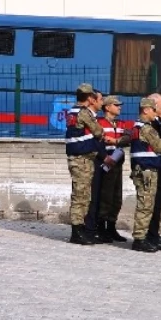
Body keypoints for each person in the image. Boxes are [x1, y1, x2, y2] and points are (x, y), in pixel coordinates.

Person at [129, 98, 161, 252]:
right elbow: (160, 147)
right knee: (145, 205)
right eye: (153, 110)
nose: (155, 113)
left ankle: (143, 237)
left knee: (145, 204)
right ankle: (139, 239)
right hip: (146, 171)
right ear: (146, 110)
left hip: (142, 170)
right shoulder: (146, 128)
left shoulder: (135, 127)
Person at [65, 83, 104, 245]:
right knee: (80, 195)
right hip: (81, 159)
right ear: (89, 98)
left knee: (82, 195)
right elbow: (98, 131)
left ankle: (79, 230)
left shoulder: (73, 111)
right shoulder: (84, 113)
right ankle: (76, 232)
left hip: (80, 158)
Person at [95, 95, 130, 242]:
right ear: (107, 107)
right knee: (105, 196)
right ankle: (101, 228)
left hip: (117, 164)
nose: (119, 107)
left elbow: (128, 138)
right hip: (104, 163)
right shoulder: (99, 123)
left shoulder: (121, 123)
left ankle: (111, 227)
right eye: (116, 105)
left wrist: (115, 140)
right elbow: (97, 140)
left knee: (116, 197)